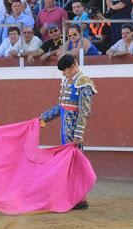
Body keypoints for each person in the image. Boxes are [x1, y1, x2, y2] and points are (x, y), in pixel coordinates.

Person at [39, 54, 97, 209]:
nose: (63, 73)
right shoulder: (68, 81)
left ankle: (80, 199)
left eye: (65, 70)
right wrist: (43, 119)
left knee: (75, 164)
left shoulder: (84, 83)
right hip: (65, 131)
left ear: (73, 65)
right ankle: (73, 197)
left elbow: (85, 111)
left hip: (73, 133)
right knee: (68, 165)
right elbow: (61, 107)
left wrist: (79, 134)